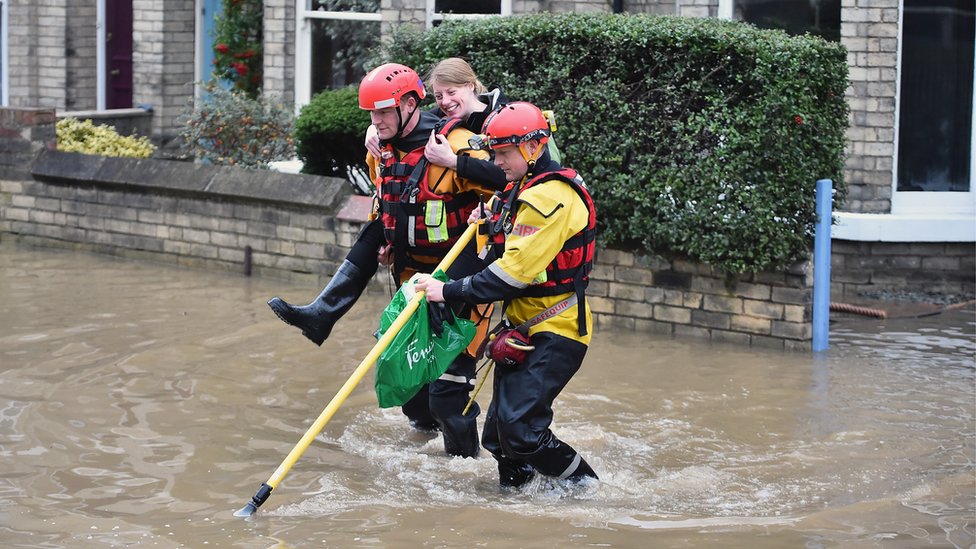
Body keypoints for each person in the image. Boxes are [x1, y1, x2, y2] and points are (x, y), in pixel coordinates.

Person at [267, 63, 497, 458]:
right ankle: (425, 452)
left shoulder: (455, 142)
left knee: (448, 395)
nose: (376, 121)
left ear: (409, 104)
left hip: (458, 289)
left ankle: (465, 473)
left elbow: (509, 180)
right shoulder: (381, 148)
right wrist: (392, 239)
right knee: (410, 391)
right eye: (372, 115)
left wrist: (471, 184)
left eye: (383, 113)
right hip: (411, 280)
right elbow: (388, 204)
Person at [414, 101, 599, 488]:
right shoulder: (519, 190)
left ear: (533, 148)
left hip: (557, 329)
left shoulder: (550, 198)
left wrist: (446, 291)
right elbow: (503, 249)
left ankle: (588, 489)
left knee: (522, 432)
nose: (496, 162)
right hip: (521, 328)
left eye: (503, 153)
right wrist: (488, 226)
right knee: (499, 439)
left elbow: (510, 275)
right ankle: (516, 507)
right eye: (494, 153)